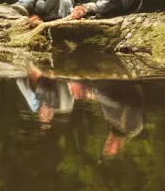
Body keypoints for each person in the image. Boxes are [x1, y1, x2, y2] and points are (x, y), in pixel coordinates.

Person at [17, 64, 145, 157]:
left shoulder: (120, 125)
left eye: (107, 146)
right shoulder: (128, 127)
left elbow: (114, 100)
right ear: (118, 147)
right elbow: (121, 103)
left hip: (100, 81)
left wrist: (90, 94)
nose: (107, 142)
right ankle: (30, 69)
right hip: (107, 76)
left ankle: (30, 69)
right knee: (39, 103)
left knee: (40, 103)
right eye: (109, 147)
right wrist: (90, 93)